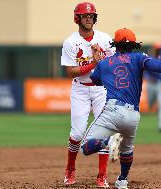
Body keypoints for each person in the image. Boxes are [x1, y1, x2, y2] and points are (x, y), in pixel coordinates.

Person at [80, 28, 161, 189]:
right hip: (133, 115)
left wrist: (101, 63)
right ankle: (123, 180)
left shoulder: (104, 63)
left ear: (115, 44)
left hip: (113, 111)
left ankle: (107, 141)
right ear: (133, 44)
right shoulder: (138, 58)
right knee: (126, 150)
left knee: (85, 147)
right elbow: (154, 65)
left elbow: (95, 79)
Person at [60, 2, 120, 187]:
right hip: (80, 89)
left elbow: (114, 64)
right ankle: (70, 169)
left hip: (100, 89)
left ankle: (102, 175)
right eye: (85, 16)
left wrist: (101, 60)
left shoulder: (104, 38)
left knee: (103, 131)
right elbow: (71, 71)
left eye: (91, 15)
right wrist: (94, 63)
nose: (88, 18)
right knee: (77, 133)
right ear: (77, 18)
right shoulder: (70, 42)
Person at [143, 42, 161, 133]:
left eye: (160, 49)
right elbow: (154, 71)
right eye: (157, 49)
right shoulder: (150, 59)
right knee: (150, 104)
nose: (159, 50)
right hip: (151, 84)